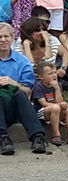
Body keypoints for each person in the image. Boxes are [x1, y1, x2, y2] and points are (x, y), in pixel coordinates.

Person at [0, 23, 47, 154]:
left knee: (19, 94)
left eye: (6, 36)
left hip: (15, 108)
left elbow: (28, 91)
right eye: (0, 37)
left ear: (12, 38)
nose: (3, 40)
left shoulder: (22, 61)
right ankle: (3, 138)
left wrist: (14, 83)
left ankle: (38, 137)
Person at [32, 61, 68, 146]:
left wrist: (57, 89)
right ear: (41, 77)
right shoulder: (38, 87)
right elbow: (44, 103)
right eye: (50, 73)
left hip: (56, 110)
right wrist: (58, 105)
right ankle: (56, 135)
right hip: (42, 113)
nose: (54, 75)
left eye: (55, 72)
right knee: (56, 108)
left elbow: (59, 101)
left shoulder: (58, 85)